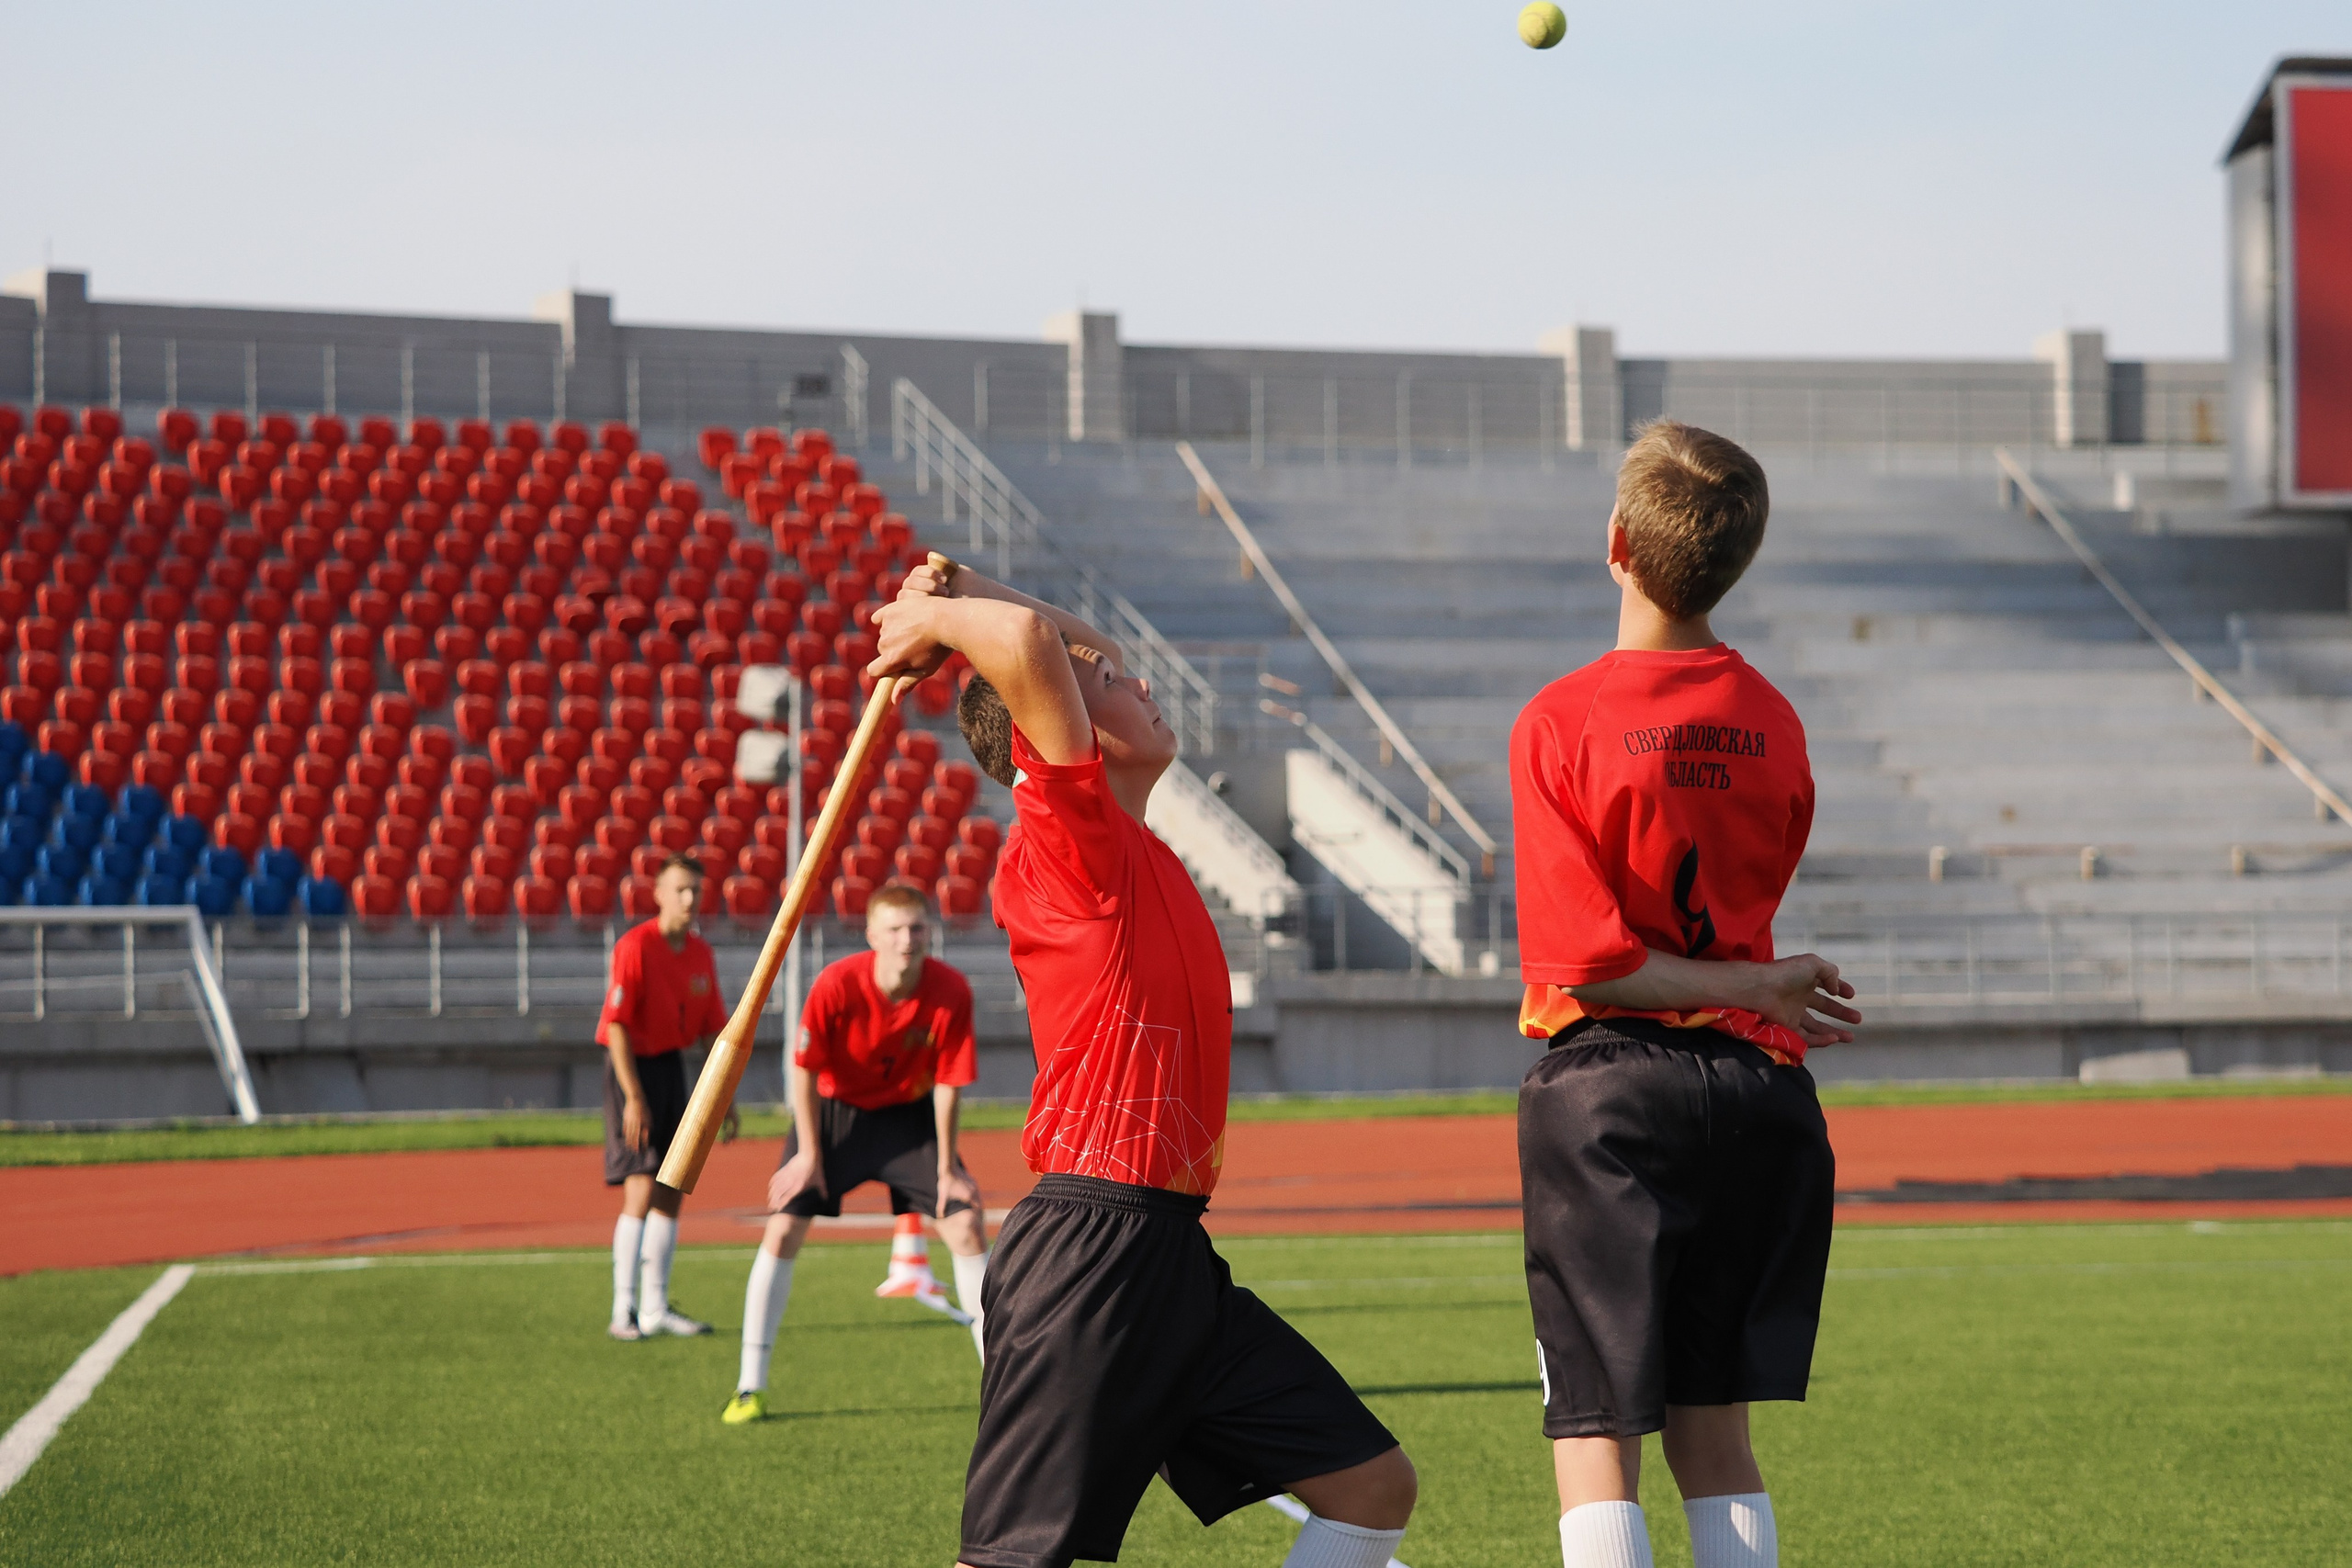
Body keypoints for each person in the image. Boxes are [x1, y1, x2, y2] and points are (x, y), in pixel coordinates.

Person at [868, 559, 1418, 1568]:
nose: (1139, 679)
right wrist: (936, 620)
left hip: (1169, 1255)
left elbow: (1075, 653)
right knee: (1013, 1560)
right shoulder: (1064, 840)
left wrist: (969, 582)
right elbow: (1037, 655)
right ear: (1053, 731)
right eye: (1113, 688)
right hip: (1088, 1250)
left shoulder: (1130, 841)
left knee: (1370, 1487)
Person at [1509, 420, 1862, 1568]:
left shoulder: (1560, 721)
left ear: (1616, 543)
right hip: (1762, 1092)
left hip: (1612, 1089)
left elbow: (1589, 963)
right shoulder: (1776, 720)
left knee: (1594, 1425)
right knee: (1717, 1436)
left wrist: (1746, 979)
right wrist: (1756, 984)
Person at [724, 881, 989, 1425]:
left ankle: (1004, 1387)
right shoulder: (837, 984)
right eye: (894, 929)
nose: (907, 940)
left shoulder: (950, 990)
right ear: (871, 935)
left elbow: (948, 1083)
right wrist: (808, 1155)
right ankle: (750, 1386)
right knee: (783, 1227)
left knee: (964, 1223)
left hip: (907, 1121)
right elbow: (804, 1070)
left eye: (917, 928)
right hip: (833, 1116)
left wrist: (945, 1169)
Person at [597, 852, 737, 1341]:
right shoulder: (636, 946)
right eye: (679, 889)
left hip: (674, 1071)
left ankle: (656, 1307)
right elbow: (615, 1026)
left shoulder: (701, 954)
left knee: (672, 1190)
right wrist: (633, 1097)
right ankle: (624, 1310)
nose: (689, 898)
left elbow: (712, 1031)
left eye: (695, 890)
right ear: (656, 894)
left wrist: (724, 1097)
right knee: (640, 1185)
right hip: (633, 1070)